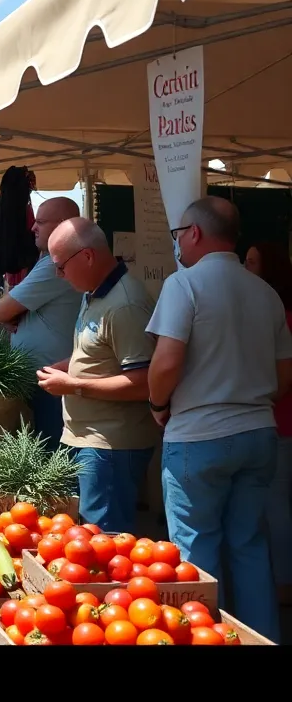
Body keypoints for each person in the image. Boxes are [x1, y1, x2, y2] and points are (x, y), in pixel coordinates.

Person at [147, 196, 292, 643]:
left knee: (196, 553)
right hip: (258, 432)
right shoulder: (265, 291)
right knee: (249, 546)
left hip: (197, 435)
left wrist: (156, 404)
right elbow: (285, 372)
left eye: (177, 236)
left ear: (193, 233)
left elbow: (167, 360)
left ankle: (205, 636)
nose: (177, 244)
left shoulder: (183, 284)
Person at [36, 218, 158, 534]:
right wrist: (68, 367)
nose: (59, 275)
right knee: (93, 533)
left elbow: (144, 380)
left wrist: (73, 385)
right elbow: (102, 356)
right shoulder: (94, 293)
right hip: (94, 439)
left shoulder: (125, 304)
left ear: (87, 256)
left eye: (61, 266)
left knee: (104, 536)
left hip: (111, 444)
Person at [0, 197, 83, 448]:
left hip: (52, 383)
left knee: (53, 454)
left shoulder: (55, 265)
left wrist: (11, 313)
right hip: (46, 379)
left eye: (40, 222)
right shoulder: (47, 262)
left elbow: (0, 311)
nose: (33, 227)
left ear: (64, 225)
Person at [245, 241, 292, 604]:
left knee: (274, 506)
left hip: (279, 422)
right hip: (272, 421)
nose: (246, 269)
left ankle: (282, 583)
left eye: (252, 262)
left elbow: (282, 379)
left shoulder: (275, 312)